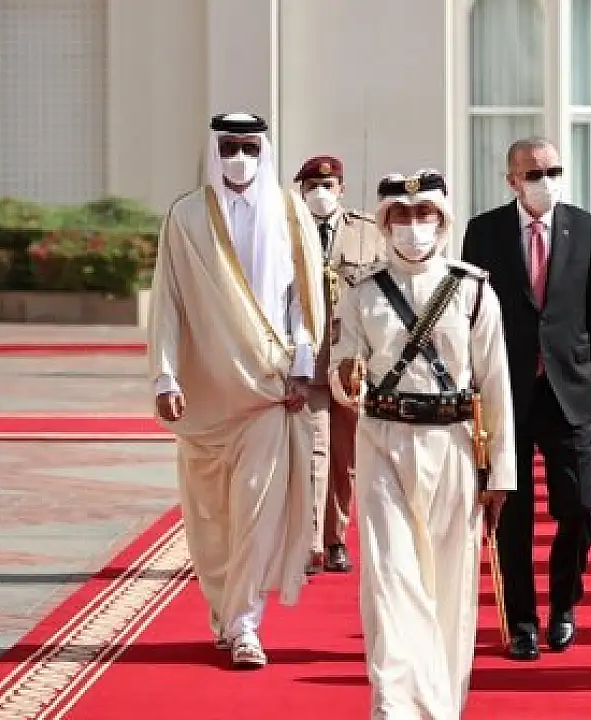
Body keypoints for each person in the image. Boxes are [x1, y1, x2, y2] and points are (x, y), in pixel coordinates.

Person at [329, 169, 515, 719]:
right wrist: (345, 376)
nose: (413, 227)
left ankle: (441, 705)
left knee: (449, 588)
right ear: (385, 224)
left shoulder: (473, 290)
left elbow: (496, 384)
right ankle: (395, 706)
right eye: (402, 216)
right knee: (390, 578)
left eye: (424, 214)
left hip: (454, 445)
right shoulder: (362, 294)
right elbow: (342, 369)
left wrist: (500, 474)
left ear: (442, 220)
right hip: (383, 442)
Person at [147, 112, 323, 668]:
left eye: (249, 147)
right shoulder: (186, 216)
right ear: (214, 149)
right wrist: (165, 375)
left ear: (263, 150)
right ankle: (225, 612)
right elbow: (168, 301)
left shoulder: (290, 212)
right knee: (211, 518)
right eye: (229, 147)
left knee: (255, 509)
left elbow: (303, 298)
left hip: (268, 389)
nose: (239, 158)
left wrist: (302, 365)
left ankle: (246, 624)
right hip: (204, 393)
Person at [462, 136, 591, 661]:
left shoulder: (586, 228)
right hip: (506, 390)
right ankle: (523, 621)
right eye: (533, 174)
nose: (545, 182)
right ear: (512, 180)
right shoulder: (484, 232)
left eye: (553, 171)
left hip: (569, 389)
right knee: (514, 513)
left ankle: (564, 606)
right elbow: (468, 313)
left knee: (581, 507)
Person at [294, 154, 383, 574]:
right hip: (308, 359)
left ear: (342, 189)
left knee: (345, 456)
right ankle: (312, 541)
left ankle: (336, 539)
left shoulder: (368, 233)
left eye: (327, 186)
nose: (320, 193)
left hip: (351, 361)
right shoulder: (288, 233)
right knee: (315, 448)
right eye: (312, 187)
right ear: (301, 192)